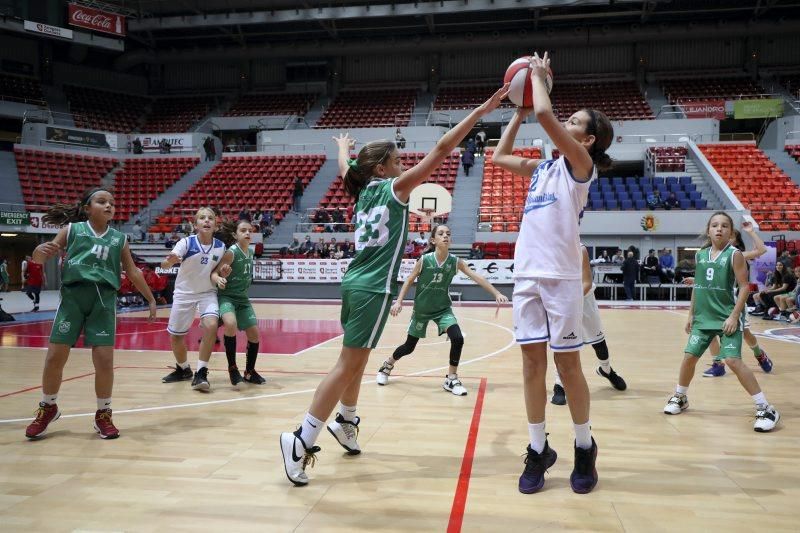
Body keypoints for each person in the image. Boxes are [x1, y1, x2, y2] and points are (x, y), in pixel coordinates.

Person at [280, 84, 509, 487]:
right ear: (384, 169)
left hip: (355, 283)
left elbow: (345, 169)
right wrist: (484, 109)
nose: (404, 165)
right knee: (348, 363)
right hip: (371, 289)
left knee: (360, 358)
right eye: (398, 160)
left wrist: (343, 148)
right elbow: (441, 149)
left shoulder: (362, 190)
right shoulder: (394, 189)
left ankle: (346, 422)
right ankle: (301, 439)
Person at [492, 52, 613, 495]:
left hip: (561, 277)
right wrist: (519, 112)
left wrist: (538, 79)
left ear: (590, 138)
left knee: (568, 366)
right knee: (530, 366)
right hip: (527, 275)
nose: (568, 121)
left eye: (576, 120)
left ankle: (584, 446)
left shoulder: (581, 166)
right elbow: (499, 155)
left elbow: (546, 113)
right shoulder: (543, 168)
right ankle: (538, 448)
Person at [24, 188, 157, 440]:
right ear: (87, 208)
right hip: (73, 299)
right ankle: (48, 406)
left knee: (105, 361)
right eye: (102, 201)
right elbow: (41, 258)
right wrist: (38, 254)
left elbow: (133, 272)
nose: (109, 206)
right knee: (54, 357)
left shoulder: (119, 239)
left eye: (112, 203)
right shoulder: (72, 230)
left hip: (103, 301)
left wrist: (150, 298)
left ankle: (103, 414)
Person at [663, 212, 780, 433]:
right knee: (689, 358)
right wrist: (690, 315)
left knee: (732, 362)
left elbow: (745, 287)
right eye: (715, 225)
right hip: (703, 318)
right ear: (708, 230)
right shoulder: (701, 255)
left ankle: (766, 407)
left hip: (727, 317)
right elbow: (698, 285)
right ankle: (680, 396)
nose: (719, 229)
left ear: (731, 232)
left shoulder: (735, 254)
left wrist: (734, 316)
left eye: (724, 226)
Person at [376, 224, 509, 394]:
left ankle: (451, 379)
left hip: (442, 310)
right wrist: (399, 302)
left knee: (458, 338)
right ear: (433, 240)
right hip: (422, 310)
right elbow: (409, 280)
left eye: (448, 233)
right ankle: (387, 365)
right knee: (409, 347)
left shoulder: (455, 262)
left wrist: (496, 293)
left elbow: (477, 277)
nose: (445, 236)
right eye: (441, 233)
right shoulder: (424, 260)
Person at [160, 207, 228, 391]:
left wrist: (223, 273)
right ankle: (183, 369)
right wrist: (169, 261)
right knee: (176, 336)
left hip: (207, 293)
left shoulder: (221, 247)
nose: (206, 221)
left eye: (210, 218)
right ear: (195, 224)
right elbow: (166, 263)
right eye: (202, 218)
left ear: (216, 224)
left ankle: (201, 373)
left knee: (212, 326)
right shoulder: (186, 243)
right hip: (184, 293)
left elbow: (219, 270)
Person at [551, 245, 626, 405]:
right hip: (561, 303)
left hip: (584, 300)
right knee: (561, 345)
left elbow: (586, 282)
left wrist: (571, 301)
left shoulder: (580, 249)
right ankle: (559, 384)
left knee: (600, 344)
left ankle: (606, 370)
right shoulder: (550, 248)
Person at [212, 220, 265, 388]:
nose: (248, 233)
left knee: (254, 334)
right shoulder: (231, 252)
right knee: (231, 324)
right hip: (227, 297)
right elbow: (216, 272)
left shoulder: (249, 252)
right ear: (235, 235)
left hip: (242, 298)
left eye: (250, 230)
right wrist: (221, 276)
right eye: (243, 230)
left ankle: (249, 372)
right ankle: (232, 368)